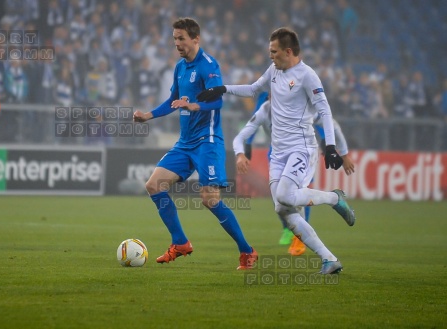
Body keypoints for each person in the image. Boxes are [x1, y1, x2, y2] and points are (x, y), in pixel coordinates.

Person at [197, 27, 356, 274]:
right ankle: (329, 259)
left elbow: (324, 111)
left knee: (286, 196)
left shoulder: (307, 76)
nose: (270, 56)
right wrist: (222, 89)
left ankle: (334, 198)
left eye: (274, 52)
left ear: (288, 51)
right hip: (278, 152)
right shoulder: (274, 70)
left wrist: (333, 147)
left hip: (302, 148)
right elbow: (252, 90)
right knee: (282, 208)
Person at [133, 17, 257, 270]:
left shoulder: (209, 65)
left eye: (181, 38)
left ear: (195, 39)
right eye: (175, 38)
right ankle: (180, 242)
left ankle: (247, 251)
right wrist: (148, 115)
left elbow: (217, 101)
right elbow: (172, 100)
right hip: (185, 142)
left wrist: (194, 105)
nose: (177, 43)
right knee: (154, 185)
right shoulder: (180, 67)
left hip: (207, 141)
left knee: (209, 198)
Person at [233, 94, 355, 256]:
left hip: (302, 153)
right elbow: (245, 133)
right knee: (280, 200)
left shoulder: (300, 106)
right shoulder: (265, 108)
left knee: (297, 191)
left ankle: (301, 235)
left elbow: (331, 125)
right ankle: (290, 228)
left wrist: (342, 152)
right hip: (276, 155)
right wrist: (244, 149)